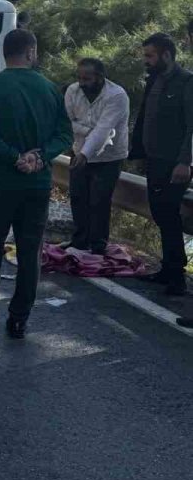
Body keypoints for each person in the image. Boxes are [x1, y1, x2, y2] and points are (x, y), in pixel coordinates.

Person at [0, 28, 72, 339]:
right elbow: (65, 135)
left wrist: (13, 157)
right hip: (37, 185)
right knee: (30, 252)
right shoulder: (50, 90)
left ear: (5, 53)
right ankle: (19, 320)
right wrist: (40, 157)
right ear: (31, 53)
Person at [128, 33, 193, 297]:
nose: (146, 60)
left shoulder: (186, 82)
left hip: (174, 164)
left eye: (150, 55)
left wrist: (185, 162)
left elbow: (192, 126)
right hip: (154, 161)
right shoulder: (153, 81)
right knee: (160, 215)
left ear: (166, 55)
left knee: (168, 216)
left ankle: (177, 277)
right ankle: (168, 270)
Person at [63, 58, 129, 255]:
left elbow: (103, 130)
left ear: (100, 77)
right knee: (78, 197)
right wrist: (86, 132)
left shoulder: (116, 95)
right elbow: (66, 122)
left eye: (87, 79)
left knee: (99, 201)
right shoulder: (73, 91)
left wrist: (84, 153)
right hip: (79, 150)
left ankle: (98, 245)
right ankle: (79, 241)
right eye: (80, 78)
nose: (82, 83)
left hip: (109, 157)